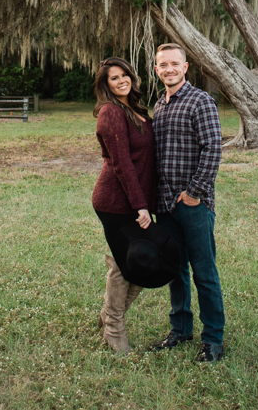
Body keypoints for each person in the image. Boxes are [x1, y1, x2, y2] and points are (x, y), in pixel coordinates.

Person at [151, 43, 225, 363]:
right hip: (164, 205)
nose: (168, 69)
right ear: (156, 70)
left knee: (204, 272)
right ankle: (180, 330)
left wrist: (194, 193)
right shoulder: (160, 105)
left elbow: (213, 150)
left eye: (174, 64)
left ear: (185, 67)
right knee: (174, 271)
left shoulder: (200, 101)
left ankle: (213, 340)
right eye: (162, 64)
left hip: (194, 205)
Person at [91, 57, 155, 354]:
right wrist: (140, 205)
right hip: (116, 201)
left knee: (144, 262)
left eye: (124, 75)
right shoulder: (110, 112)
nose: (121, 81)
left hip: (135, 200)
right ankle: (114, 328)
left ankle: (108, 315)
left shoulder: (135, 109)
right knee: (124, 264)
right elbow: (122, 163)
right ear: (105, 85)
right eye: (113, 78)